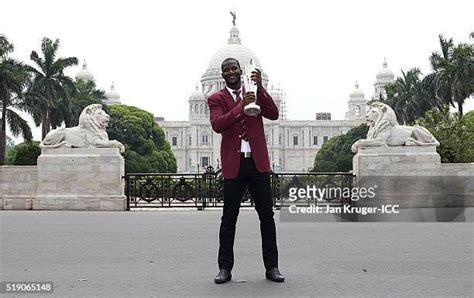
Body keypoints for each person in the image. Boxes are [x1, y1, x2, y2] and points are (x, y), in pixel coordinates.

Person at [207, 57, 285, 283]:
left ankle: (272, 267)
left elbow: (273, 113)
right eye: (227, 70)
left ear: (241, 71)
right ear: (222, 74)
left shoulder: (252, 91)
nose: (231, 72)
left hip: (257, 163)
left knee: (267, 217)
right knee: (229, 218)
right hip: (234, 164)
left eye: (235, 69)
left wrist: (260, 87)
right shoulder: (216, 98)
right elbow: (218, 124)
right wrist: (241, 108)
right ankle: (224, 268)